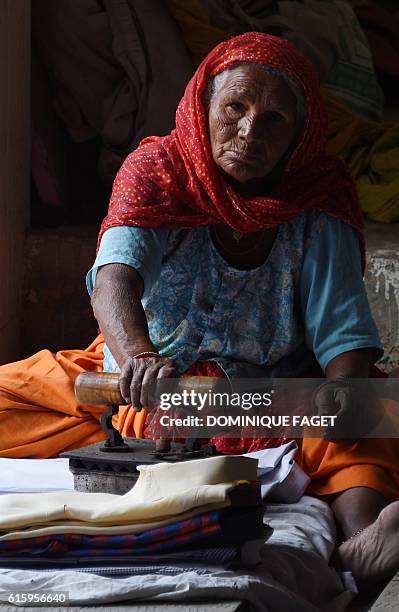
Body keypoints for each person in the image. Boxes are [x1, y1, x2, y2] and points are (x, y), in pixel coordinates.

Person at [0, 32, 398, 587]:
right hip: (142, 377)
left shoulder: (318, 198)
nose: (249, 131)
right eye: (235, 107)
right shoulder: (156, 171)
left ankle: (366, 538)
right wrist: (138, 355)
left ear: (300, 138)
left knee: (366, 421)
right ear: (204, 104)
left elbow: (341, 331)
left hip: (269, 390)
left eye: (275, 120)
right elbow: (114, 278)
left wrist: (342, 391)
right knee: (11, 394)